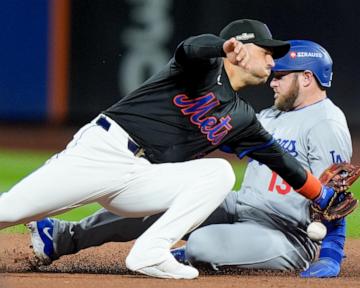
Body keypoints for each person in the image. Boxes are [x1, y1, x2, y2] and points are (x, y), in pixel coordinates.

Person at [1, 19, 340, 280]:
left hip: (142, 180)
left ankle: (150, 251)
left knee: (218, 172)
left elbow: (280, 160)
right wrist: (222, 47)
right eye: (267, 52)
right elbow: (191, 47)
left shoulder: (242, 117)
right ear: (243, 49)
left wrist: (322, 195)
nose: (272, 62)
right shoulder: (203, 68)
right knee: (10, 211)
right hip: (104, 153)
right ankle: (56, 233)